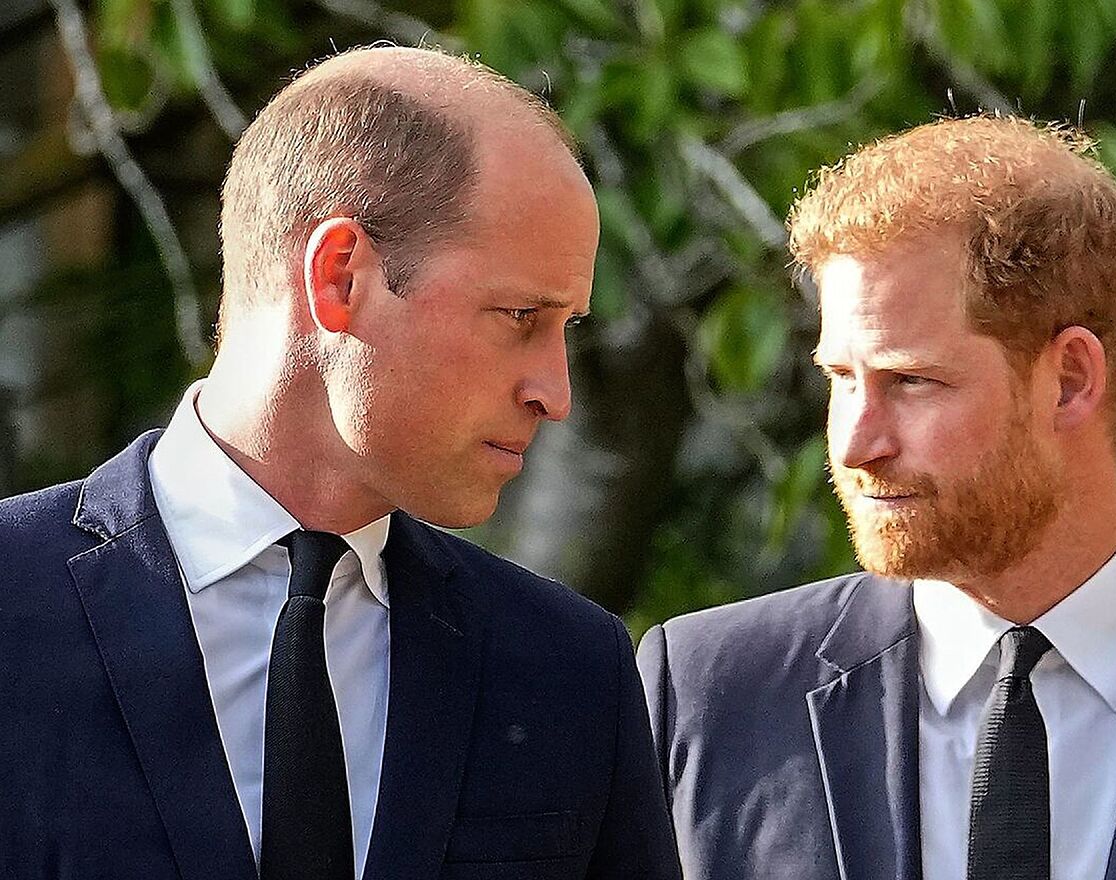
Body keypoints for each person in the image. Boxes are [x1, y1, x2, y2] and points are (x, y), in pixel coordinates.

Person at [0, 46, 680, 880]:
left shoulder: (569, 668)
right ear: (339, 276)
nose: (556, 393)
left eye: (566, 328)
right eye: (519, 316)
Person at [638, 115, 1116, 880]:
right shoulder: (707, 692)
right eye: (841, 378)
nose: (856, 445)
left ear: (1070, 380)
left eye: (911, 380)